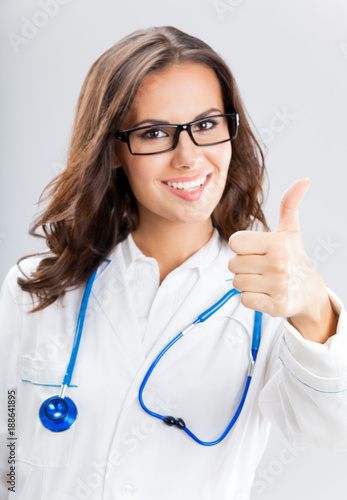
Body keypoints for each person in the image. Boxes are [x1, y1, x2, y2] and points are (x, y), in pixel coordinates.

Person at [0, 26, 346, 500]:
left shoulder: (269, 297)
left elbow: (332, 428)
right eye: (154, 132)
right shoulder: (32, 288)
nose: (188, 157)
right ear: (114, 150)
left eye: (206, 125)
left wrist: (312, 310)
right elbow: (10, 455)